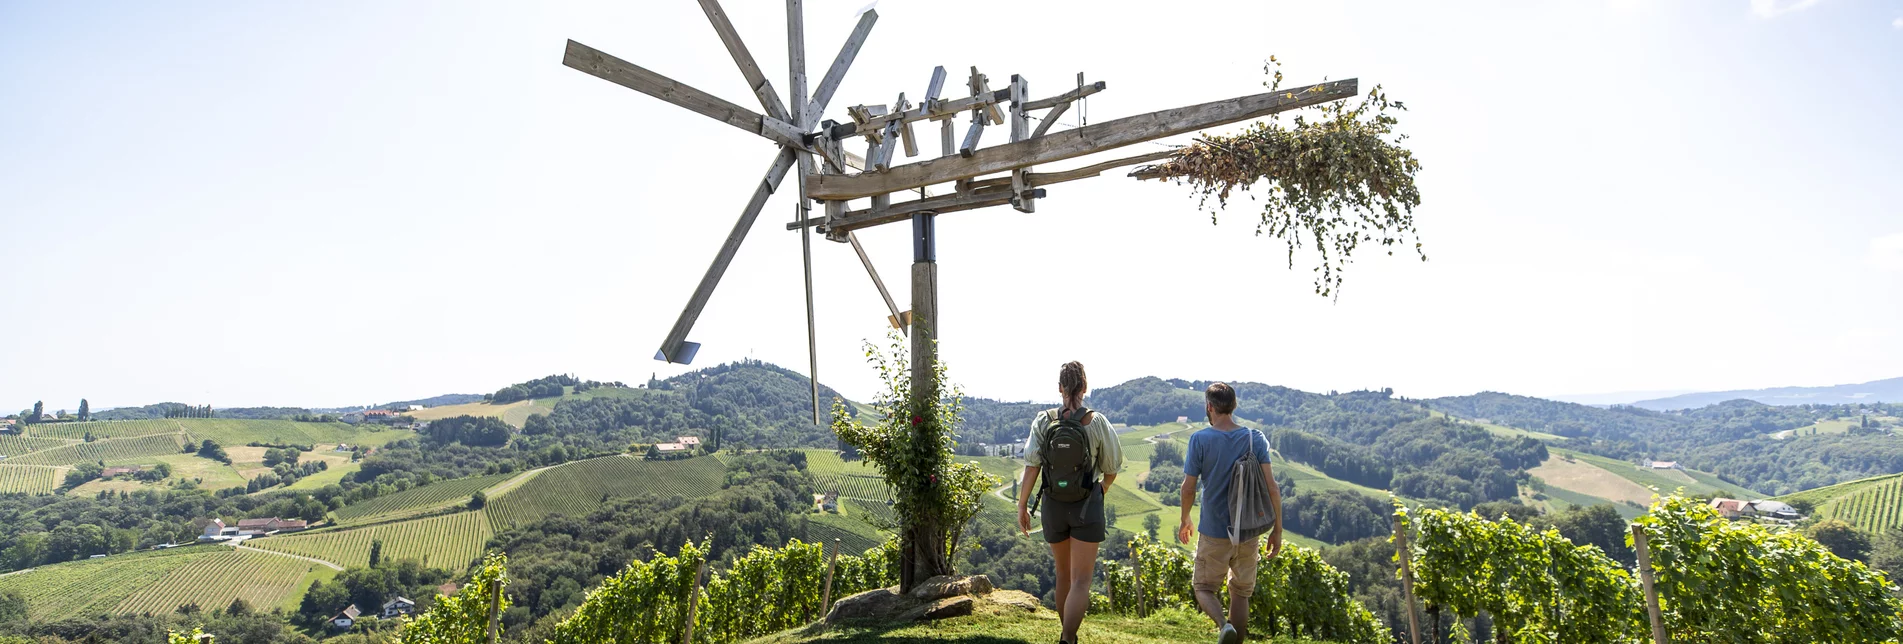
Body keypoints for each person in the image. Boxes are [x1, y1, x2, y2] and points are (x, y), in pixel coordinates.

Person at [1017, 361, 1123, 644]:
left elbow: (1032, 465)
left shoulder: (1044, 420)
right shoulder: (1097, 422)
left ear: (1060, 388)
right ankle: (1067, 638)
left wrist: (1023, 505)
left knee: (1063, 575)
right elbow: (1112, 466)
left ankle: (1068, 638)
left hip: (1052, 505)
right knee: (1081, 581)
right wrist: (1102, 488)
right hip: (1087, 504)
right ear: (1085, 387)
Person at [1176, 382, 1283, 644]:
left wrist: (1185, 519)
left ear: (1209, 407)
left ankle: (1224, 626)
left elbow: (1188, 488)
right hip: (1248, 530)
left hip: (1214, 531)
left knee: (1203, 587)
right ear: (1233, 406)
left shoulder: (1200, 439)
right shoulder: (1254, 438)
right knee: (1241, 593)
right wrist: (1277, 529)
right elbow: (1272, 487)